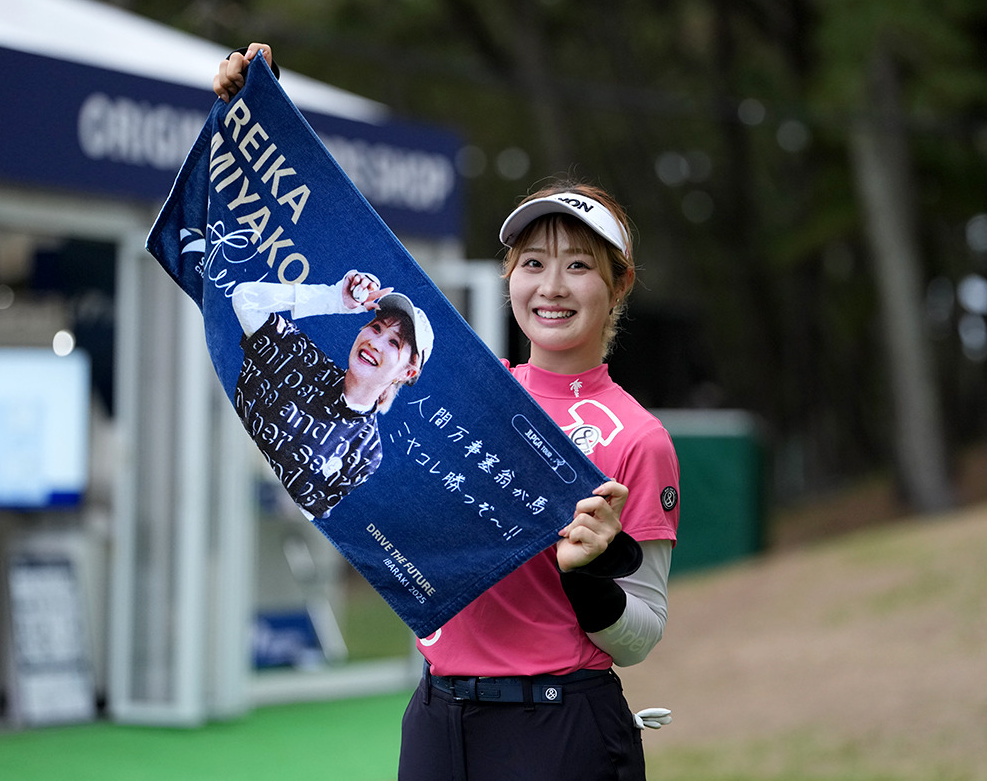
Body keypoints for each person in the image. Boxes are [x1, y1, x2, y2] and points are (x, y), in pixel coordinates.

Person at [216, 46, 680, 781]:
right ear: (509, 280)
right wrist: (254, 113)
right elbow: (322, 242)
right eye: (532, 262)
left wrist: (588, 575)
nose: (551, 286)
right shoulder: (462, 392)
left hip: (559, 723)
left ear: (617, 286)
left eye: (579, 264)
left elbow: (641, 634)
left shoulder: (638, 437)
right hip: (439, 717)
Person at [232, 269, 433, 519]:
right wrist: (333, 299)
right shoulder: (301, 357)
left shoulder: (367, 452)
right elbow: (244, 298)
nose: (375, 342)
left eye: (394, 343)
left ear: (407, 372)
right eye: (376, 327)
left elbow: (315, 518)